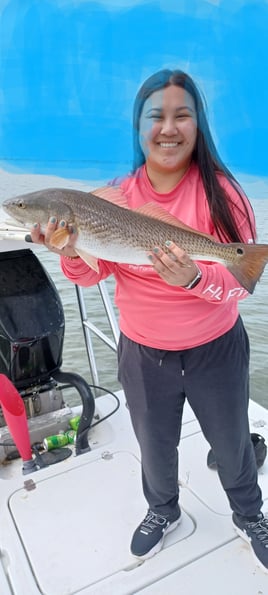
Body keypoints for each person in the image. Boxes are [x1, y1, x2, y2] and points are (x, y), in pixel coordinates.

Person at [31, 69, 268, 572]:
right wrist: (69, 249)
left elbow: (238, 280)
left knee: (231, 442)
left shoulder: (225, 195)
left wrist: (191, 279)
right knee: (153, 445)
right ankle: (163, 511)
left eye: (182, 114)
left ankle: (249, 515)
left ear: (198, 124)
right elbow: (90, 274)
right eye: (155, 115)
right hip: (143, 353)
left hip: (216, 348)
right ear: (139, 127)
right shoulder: (110, 197)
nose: (168, 127)